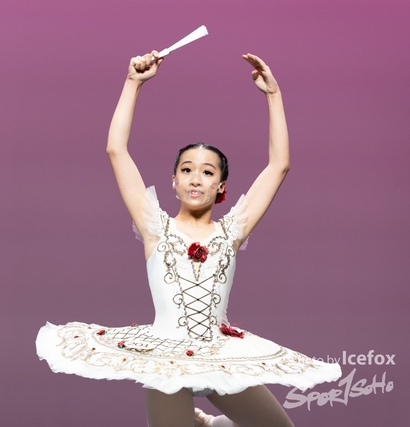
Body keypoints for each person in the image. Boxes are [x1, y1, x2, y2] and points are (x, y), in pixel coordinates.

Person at [36, 51, 341, 427]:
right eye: (187, 170)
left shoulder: (231, 232)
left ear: (221, 186)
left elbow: (279, 166)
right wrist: (133, 83)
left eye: (208, 172)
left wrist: (273, 95)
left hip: (221, 355)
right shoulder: (155, 227)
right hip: (164, 358)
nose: (196, 178)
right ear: (174, 181)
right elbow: (116, 150)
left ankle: (210, 424)